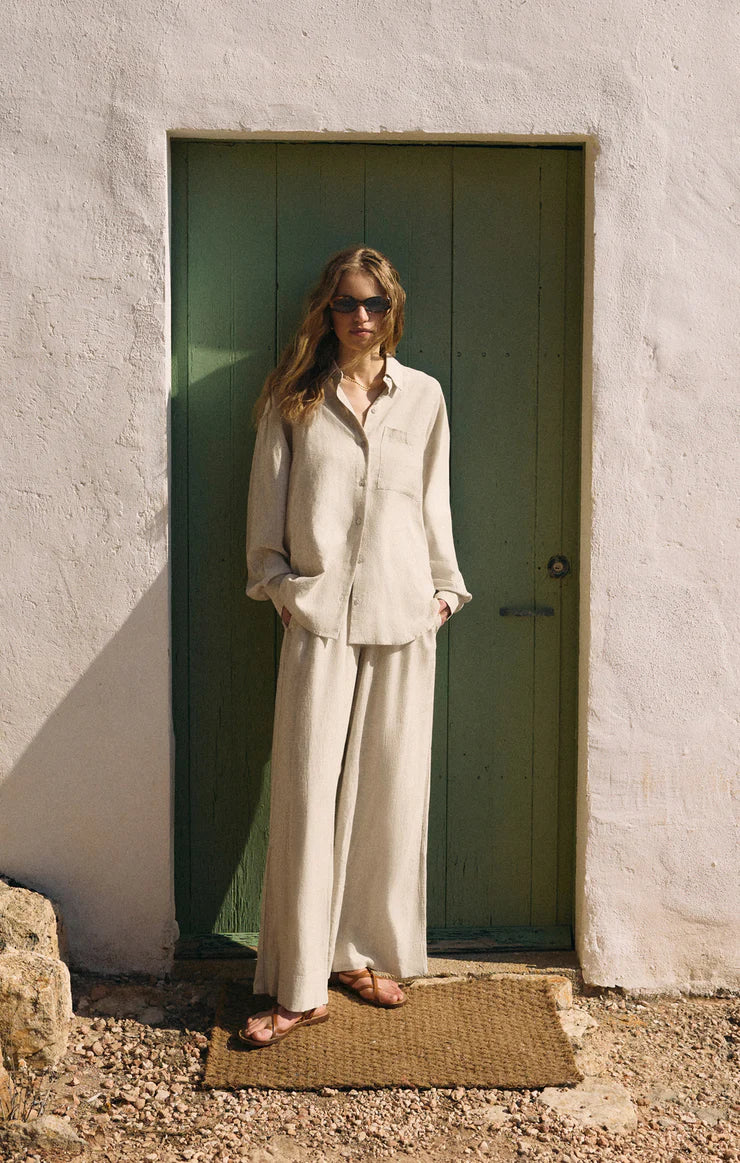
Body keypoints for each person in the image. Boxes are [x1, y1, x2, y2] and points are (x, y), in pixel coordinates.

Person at [241, 245, 471, 1047]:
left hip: (405, 619)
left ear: (392, 308)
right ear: (327, 309)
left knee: (388, 799)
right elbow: (265, 520)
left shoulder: (424, 397)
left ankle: (361, 954)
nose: (361, 316)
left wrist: (443, 594)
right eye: (346, 302)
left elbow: (433, 503)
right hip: (321, 623)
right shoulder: (293, 397)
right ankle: (299, 985)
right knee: (308, 798)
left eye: (374, 302)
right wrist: (285, 592)